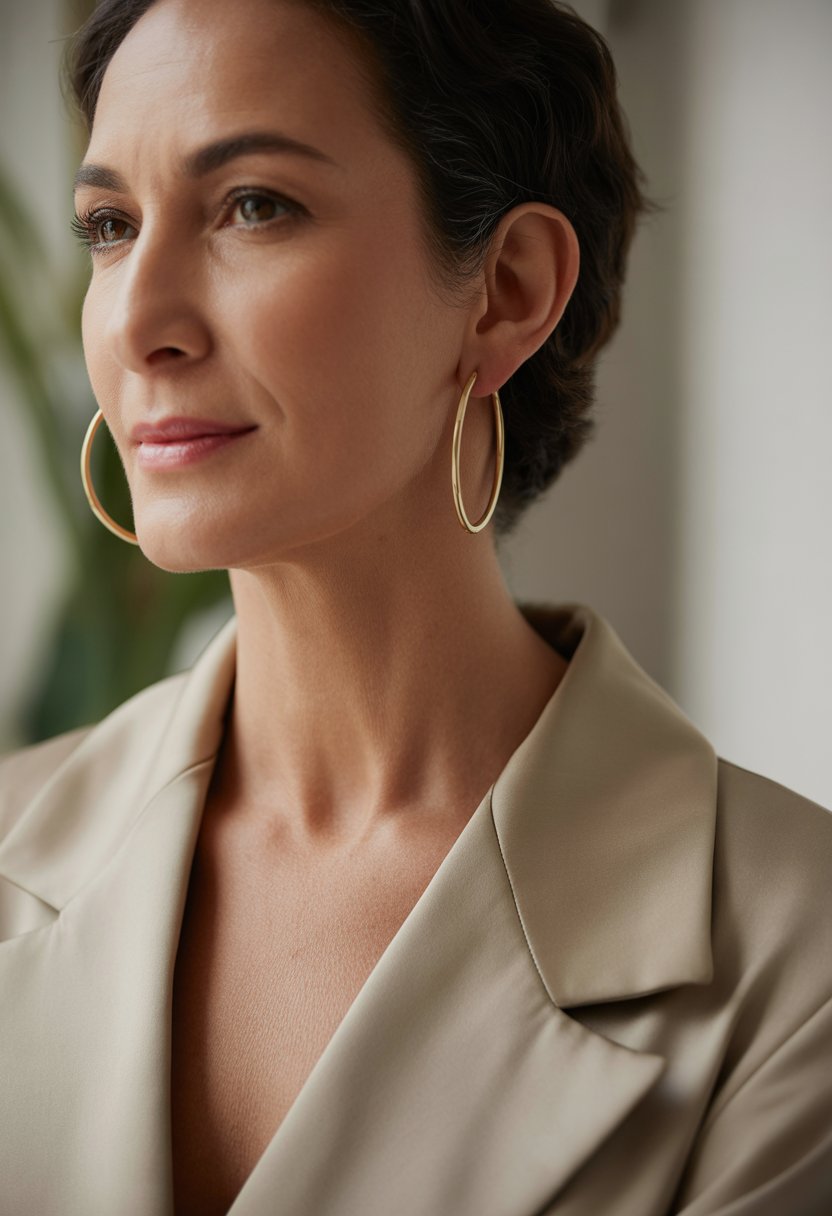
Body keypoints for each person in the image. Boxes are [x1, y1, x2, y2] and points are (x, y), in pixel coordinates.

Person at [0, 0, 830, 1213]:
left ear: (504, 287)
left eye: (253, 206)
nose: (135, 322)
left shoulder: (796, 964)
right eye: (112, 226)